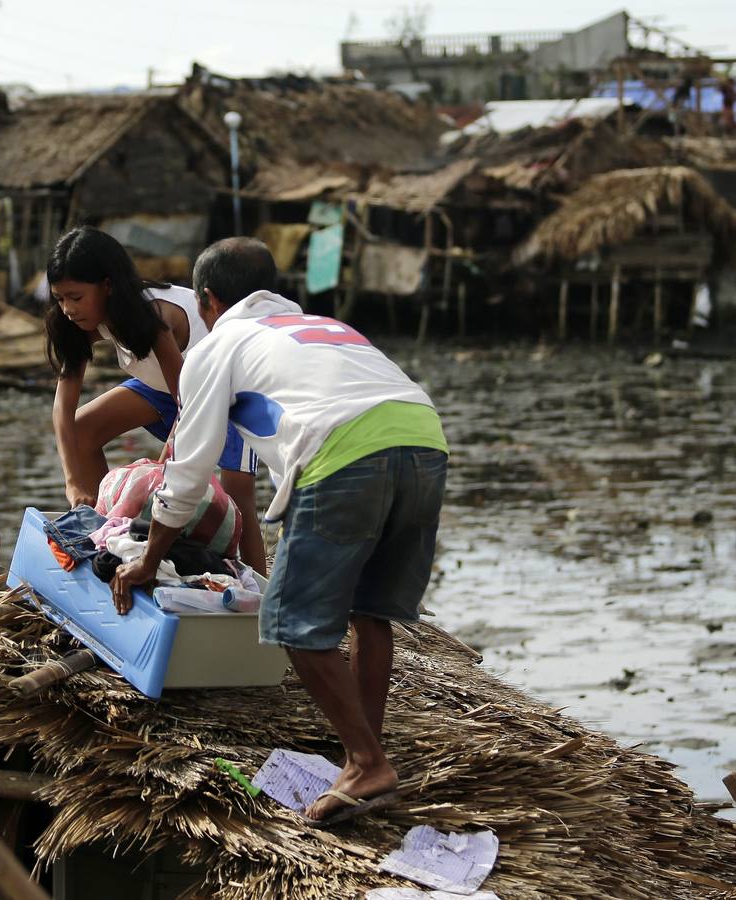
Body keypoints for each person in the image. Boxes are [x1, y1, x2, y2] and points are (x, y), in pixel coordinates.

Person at [111, 237, 449, 827]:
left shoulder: (218, 346)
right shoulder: (321, 326)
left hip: (347, 452)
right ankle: (361, 758)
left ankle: (367, 761)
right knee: (369, 613)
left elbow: (189, 473)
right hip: (424, 438)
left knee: (292, 621)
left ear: (207, 300)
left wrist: (147, 558)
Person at [45, 226, 265, 574]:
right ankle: (109, 534)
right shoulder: (77, 323)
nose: (68, 309)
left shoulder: (155, 314)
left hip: (221, 391)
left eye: (75, 297)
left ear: (107, 285)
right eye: (59, 298)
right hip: (165, 389)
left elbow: (188, 402)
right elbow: (63, 408)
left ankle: (256, 601)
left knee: (239, 497)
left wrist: (164, 474)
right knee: (82, 428)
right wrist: (72, 482)